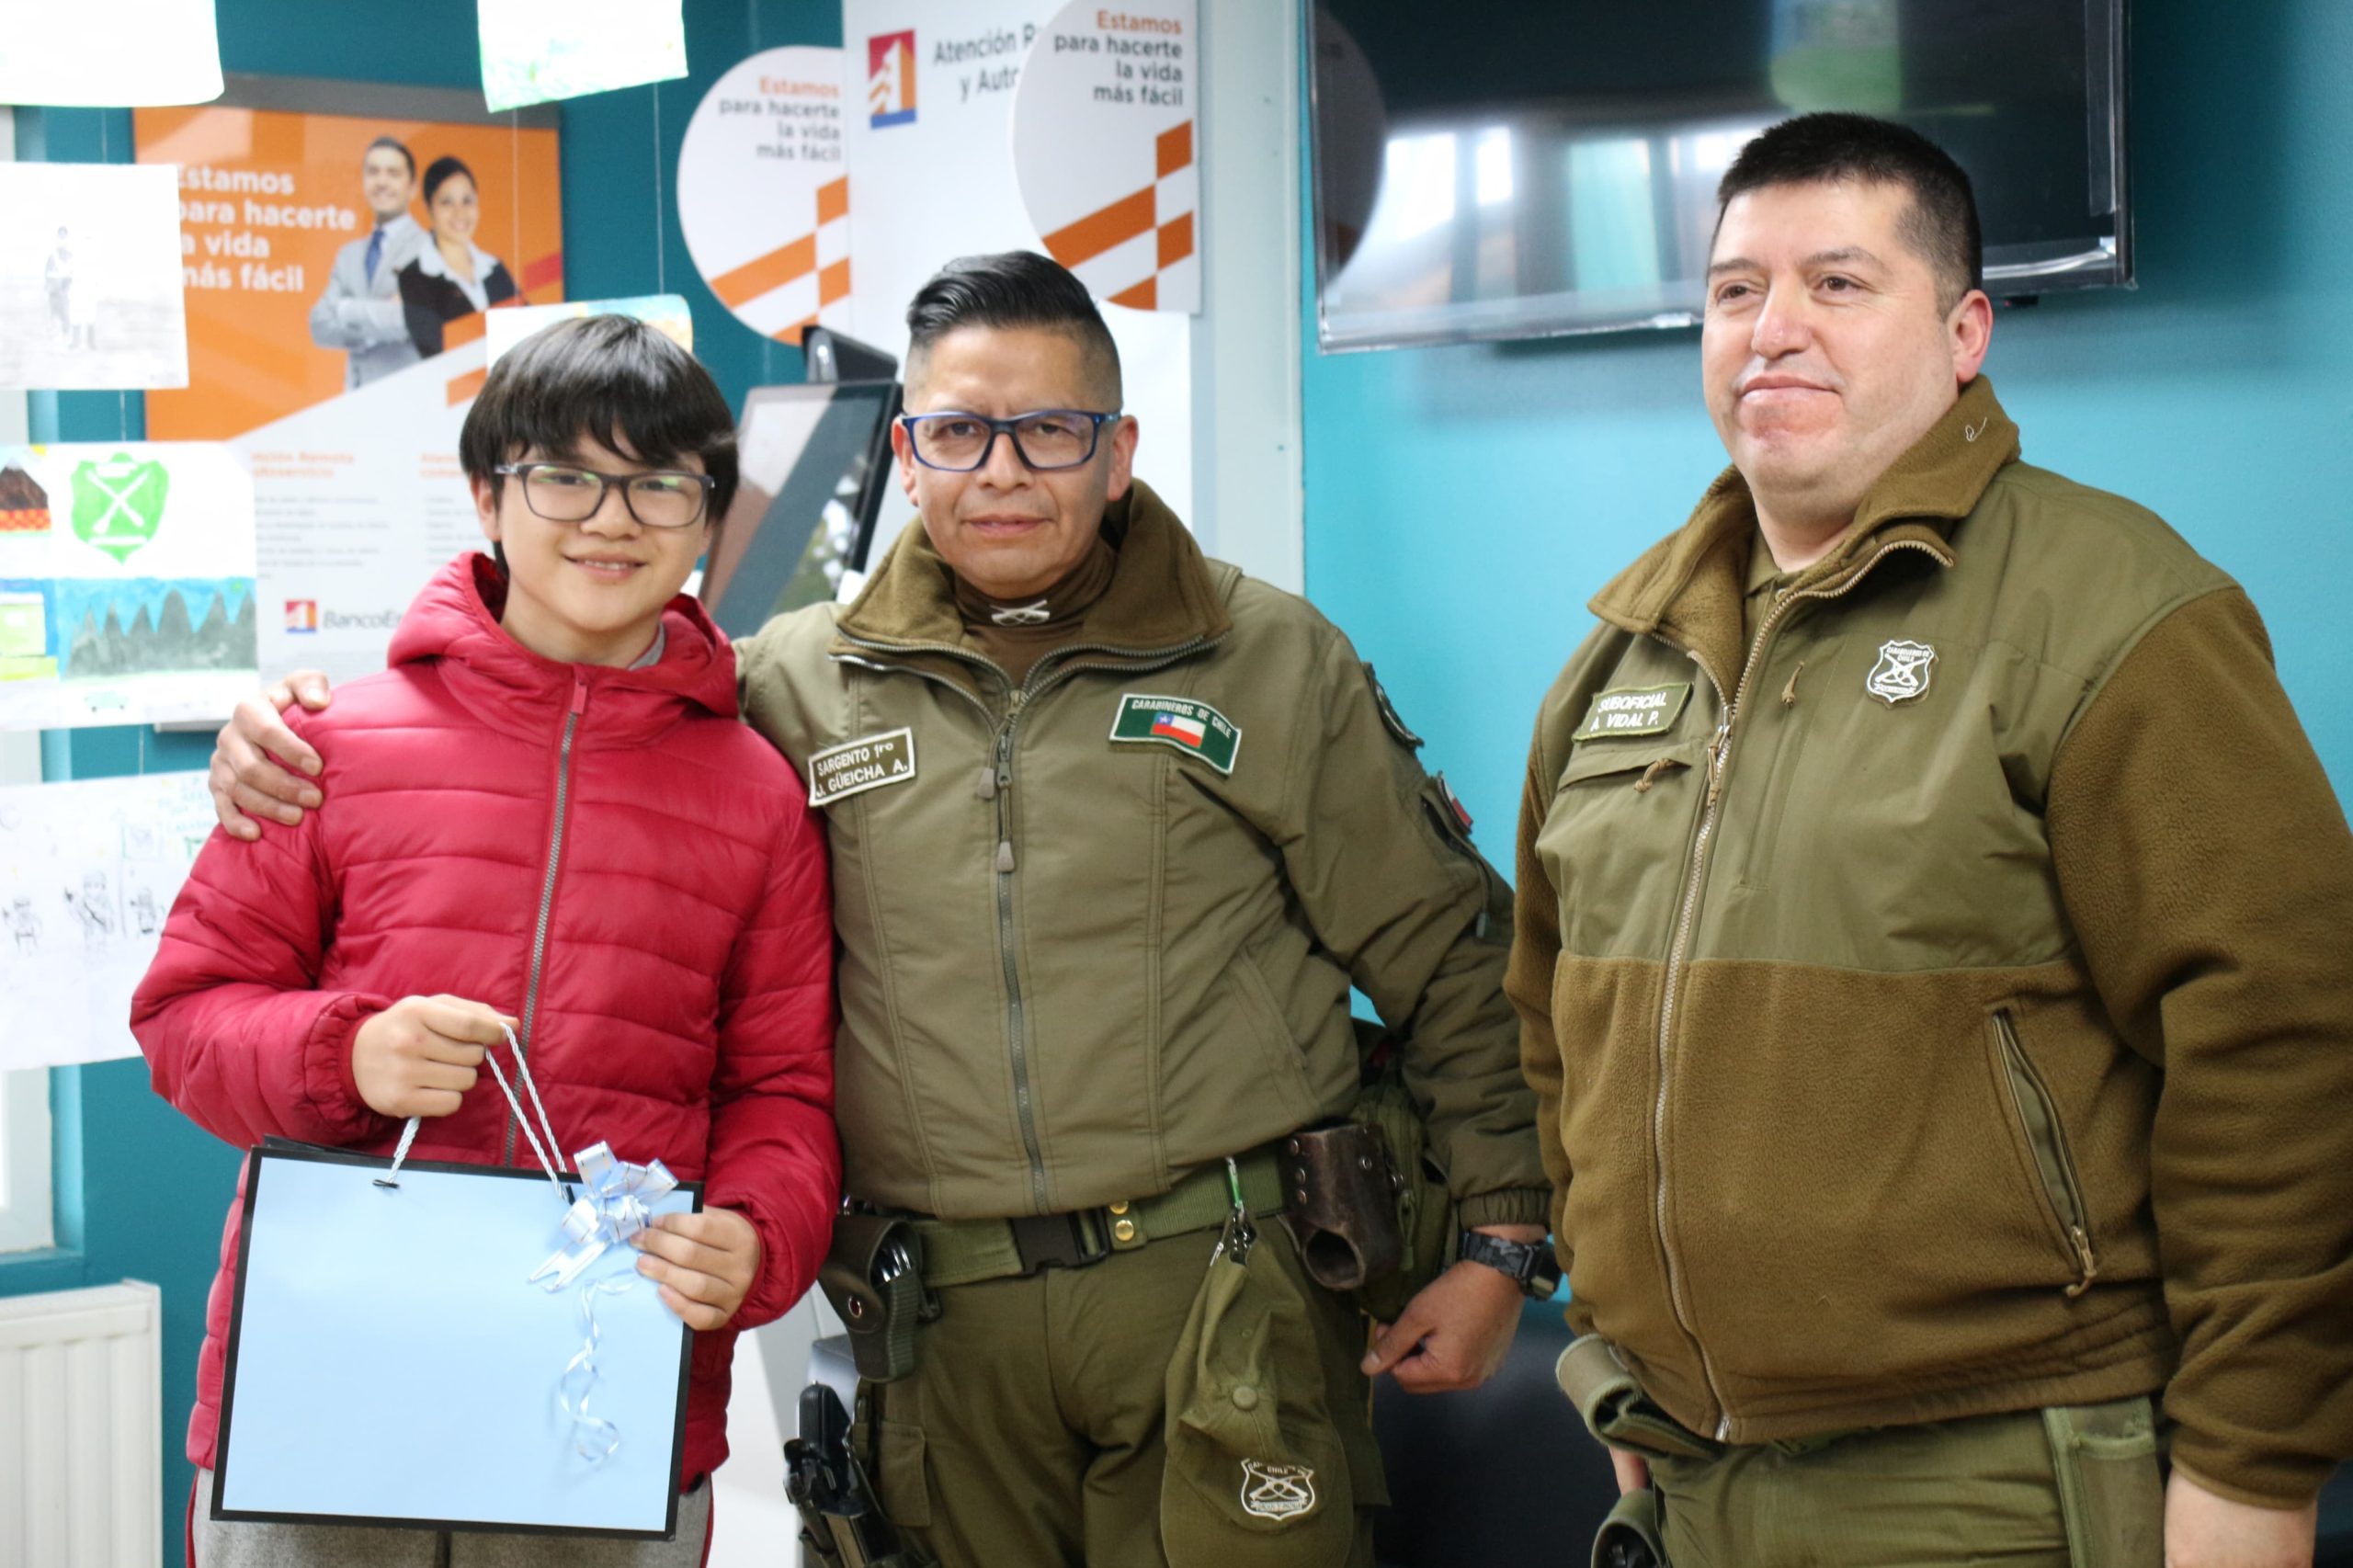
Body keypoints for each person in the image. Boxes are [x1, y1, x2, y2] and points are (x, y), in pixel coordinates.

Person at [208, 251, 1553, 1568]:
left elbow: (1449, 952)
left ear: (1119, 447)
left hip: (1223, 1290)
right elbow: (580, 703)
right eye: (961, 431)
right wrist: (289, 721)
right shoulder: (792, 682)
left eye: (1050, 430)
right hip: (942, 1323)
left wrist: (1501, 1239)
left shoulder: (1269, 660)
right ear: (907, 449)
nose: (1004, 471)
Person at [1510, 112, 2353, 1567]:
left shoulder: (2114, 613)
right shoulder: (1623, 655)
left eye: (1837, 283)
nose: (1771, 327)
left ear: (1966, 331)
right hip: (1685, 1477)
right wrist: (1624, 1378)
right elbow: (1555, 1036)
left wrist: (2254, 1476)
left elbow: (2284, 1050)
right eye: (1733, 290)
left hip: (1996, 1478)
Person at [133, 314, 841, 1567]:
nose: (610, 518)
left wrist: (756, 1233)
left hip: (602, 1398)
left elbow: (782, 1089)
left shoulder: (756, 794)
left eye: (660, 483)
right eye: (564, 473)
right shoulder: (326, 746)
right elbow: (184, 1021)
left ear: (707, 516)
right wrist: (341, 1054)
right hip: (328, 1396)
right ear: (486, 493)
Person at [308, 134, 426, 388]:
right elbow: (319, 324)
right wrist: (380, 318)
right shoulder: (348, 255)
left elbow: (408, 319)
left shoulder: (429, 250)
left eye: (393, 173)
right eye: (373, 172)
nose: (382, 181)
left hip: (407, 397)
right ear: (363, 181)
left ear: (413, 187)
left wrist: (344, 308)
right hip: (356, 399)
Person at [396, 153, 521, 358]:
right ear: (429, 209)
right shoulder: (414, 278)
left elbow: (529, 335)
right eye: (447, 202)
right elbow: (434, 349)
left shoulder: (495, 269)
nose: (459, 212)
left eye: (467, 201)